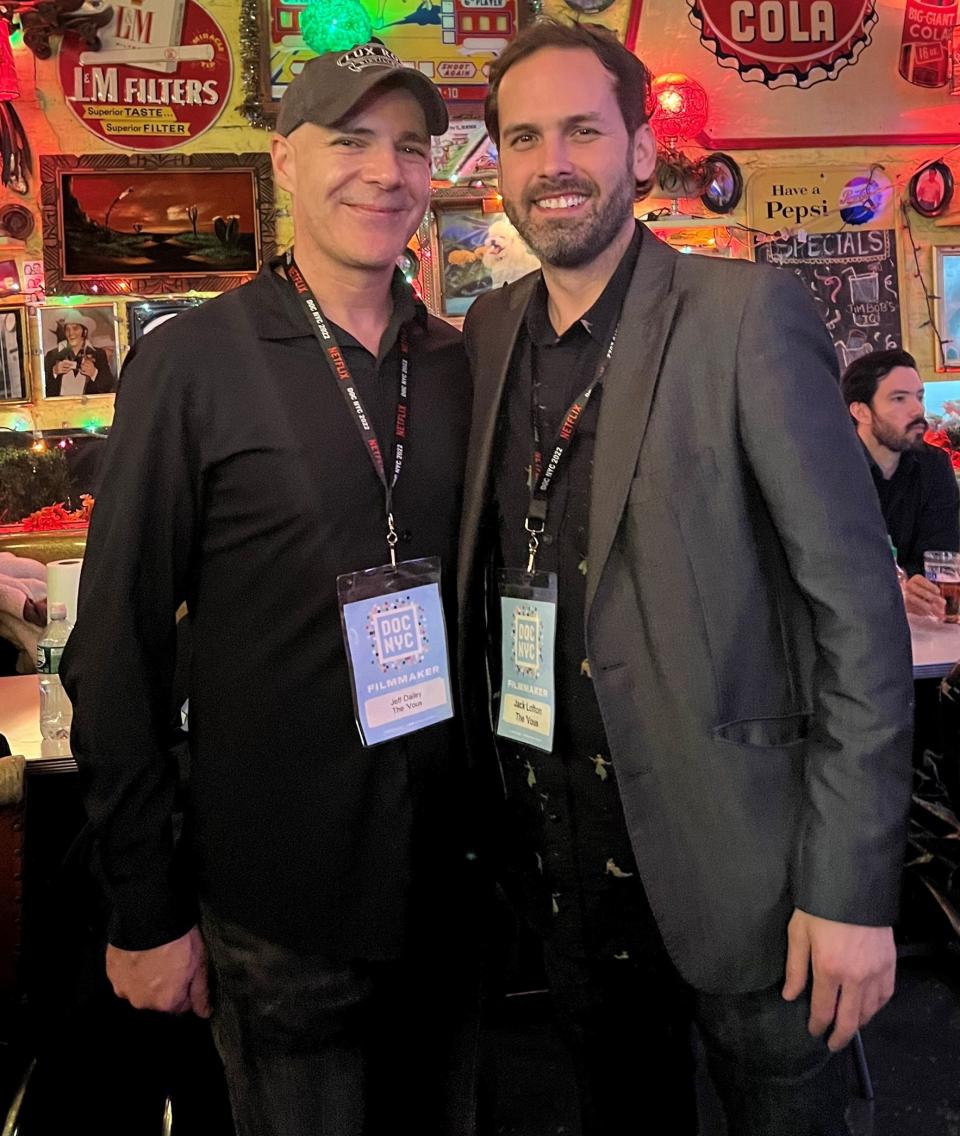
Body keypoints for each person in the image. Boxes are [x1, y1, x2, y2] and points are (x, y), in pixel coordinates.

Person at [457, 20, 913, 1136]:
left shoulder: (744, 315)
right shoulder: (488, 327)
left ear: (641, 150)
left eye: (580, 130)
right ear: (499, 167)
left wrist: (851, 888)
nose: (551, 162)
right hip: (565, 868)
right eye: (522, 137)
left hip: (749, 870)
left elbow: (857, 612)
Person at [61, 42, 478, 1136]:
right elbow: (114, 646)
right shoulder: (192, 360)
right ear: (285, 161)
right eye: (350, 141)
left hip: (450, 883)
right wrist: (143, 908)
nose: (385, 173)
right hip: (278, 897)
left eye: (409, 148)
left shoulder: (457, 362)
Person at [841, 348, 959, 619]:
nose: (917, 409)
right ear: (861, 411)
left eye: (919, 397)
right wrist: (893, 591)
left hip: (922, 626)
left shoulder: (934, 466)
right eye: (898, 399)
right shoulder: (831, 470)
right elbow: (827, 565)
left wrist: (918, 587)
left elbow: (941, 554)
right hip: (851, 622)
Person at [43, 311, 116, 397]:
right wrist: (54, 371)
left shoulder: (98, 354)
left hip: (89, 408)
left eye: (75, 328)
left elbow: (108, 386)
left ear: (84, 332)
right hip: (60, 408)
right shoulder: (52, 355)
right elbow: (39, 388)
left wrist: (94, 373)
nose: (71, 333)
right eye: (67, 329)